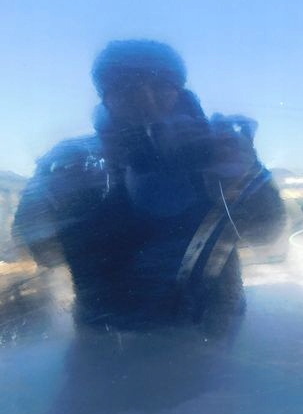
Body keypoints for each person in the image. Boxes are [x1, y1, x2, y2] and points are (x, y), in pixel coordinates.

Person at [13, 40, 286, 333]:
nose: (145, 98)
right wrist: (64, 199)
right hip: (106, 338)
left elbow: (266, 234)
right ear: (105, 97)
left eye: (161, 84)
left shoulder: (217, 150)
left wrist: (241, 176)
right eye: (125, 86)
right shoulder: (73, 160)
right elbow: (40, 252)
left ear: (179, 91)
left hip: (211, 335)